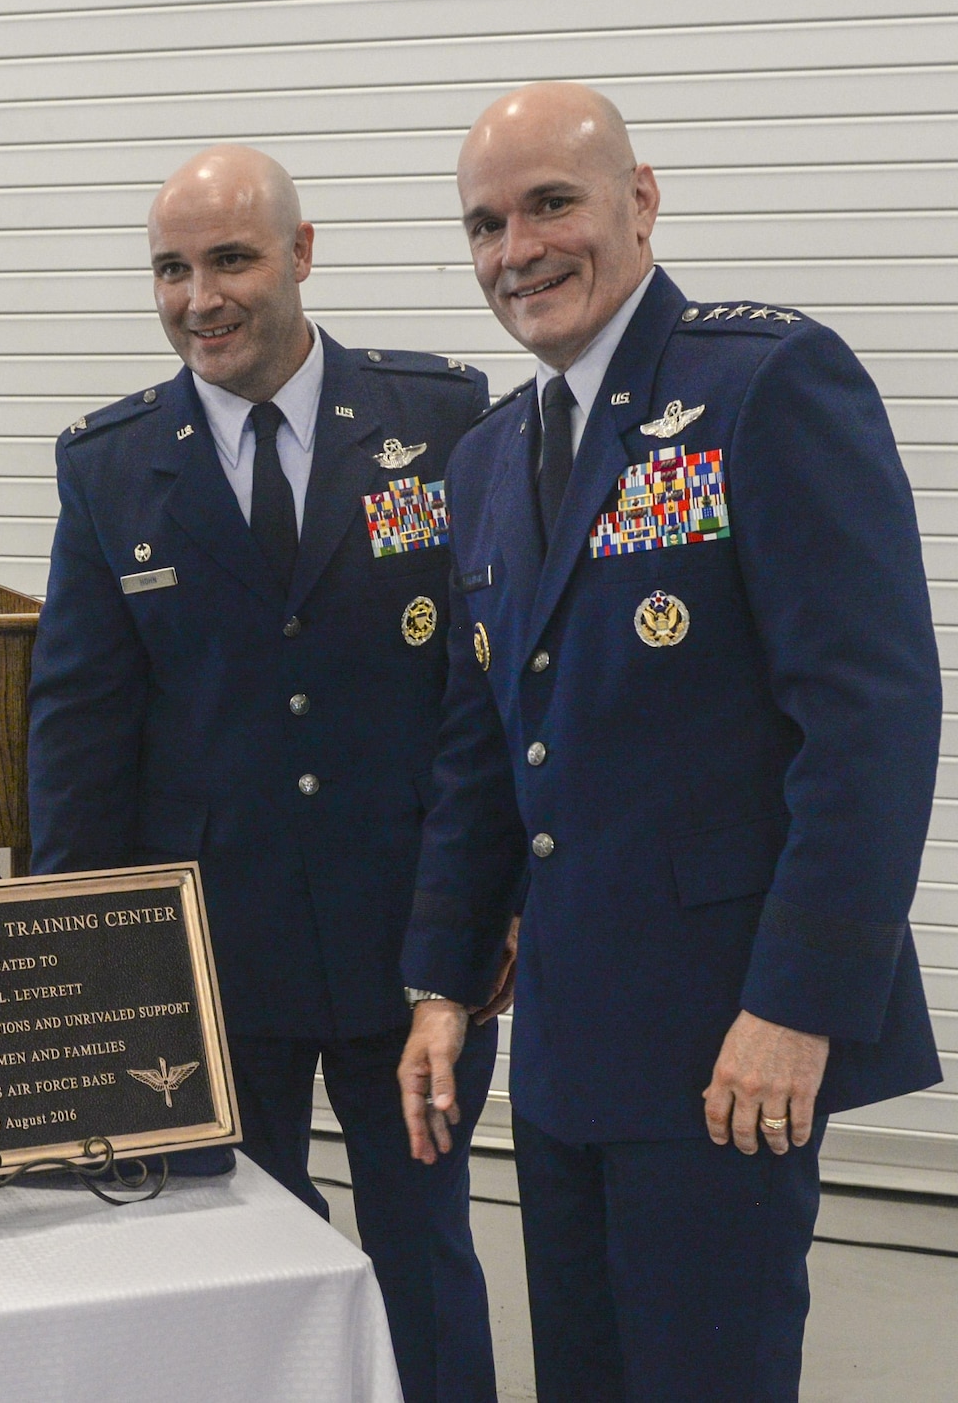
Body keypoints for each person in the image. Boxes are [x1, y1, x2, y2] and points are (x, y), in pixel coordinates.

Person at [397, 83, 942, 1402]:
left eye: (549, 205)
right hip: (571, 1047)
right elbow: (483, 753)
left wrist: (798, 1008)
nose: (516, 249)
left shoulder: (761, 386)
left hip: (729, 1044)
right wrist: (439, 982)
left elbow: (869, 719)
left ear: (639, 202)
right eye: (484, 225)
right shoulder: (481, 464)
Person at [28, 145, 502, 1402]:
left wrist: (483, 913)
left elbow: (484, 694)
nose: (199, 298)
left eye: (229, 259)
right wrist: (90, 966)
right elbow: (76, 730)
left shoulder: (439, 420)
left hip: (409, 948)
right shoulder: (111, 463)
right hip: (210, 959)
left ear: (300, 252)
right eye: (170, 270)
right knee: (235, 1263)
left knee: (422, 1248)